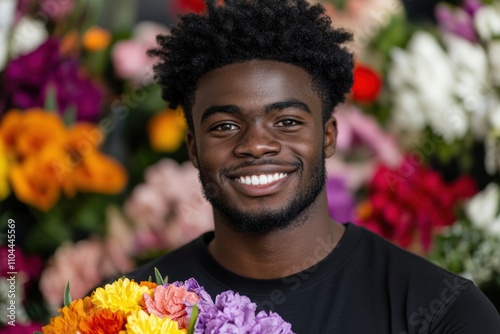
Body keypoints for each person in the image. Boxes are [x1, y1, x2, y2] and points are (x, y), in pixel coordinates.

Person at [125, 0, 500, 332]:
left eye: (287, 121)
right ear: (193, 146)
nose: (256, 145)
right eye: (225, 126)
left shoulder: (441, 312)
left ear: (328, 136)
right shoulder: (122, 312)